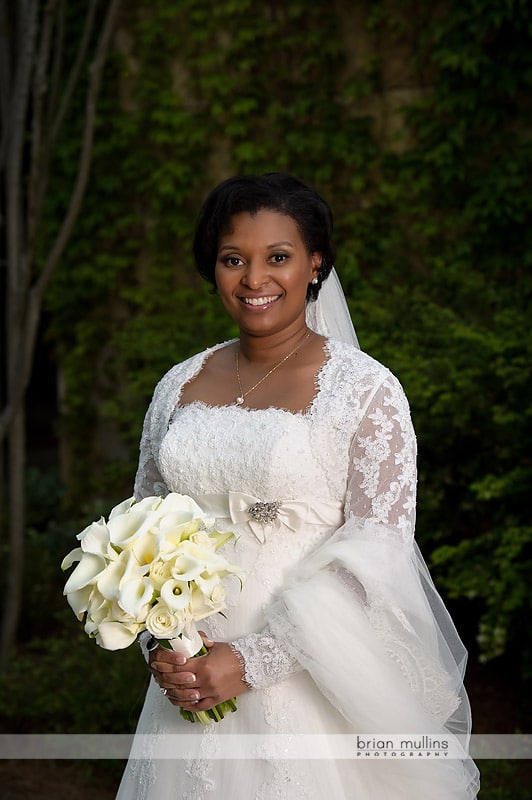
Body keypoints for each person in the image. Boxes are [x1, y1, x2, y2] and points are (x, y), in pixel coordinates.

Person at [116, 173, 479, 799]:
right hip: (190, 667)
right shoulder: (177, 385)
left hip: (311, 670)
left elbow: (379, 552)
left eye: (277, 258)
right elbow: (142, 526)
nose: (255, 280)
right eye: (235, 259)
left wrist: (253, 661)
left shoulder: (365, 390)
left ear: (315, 265)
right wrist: (161, 639)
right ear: (214, 267)